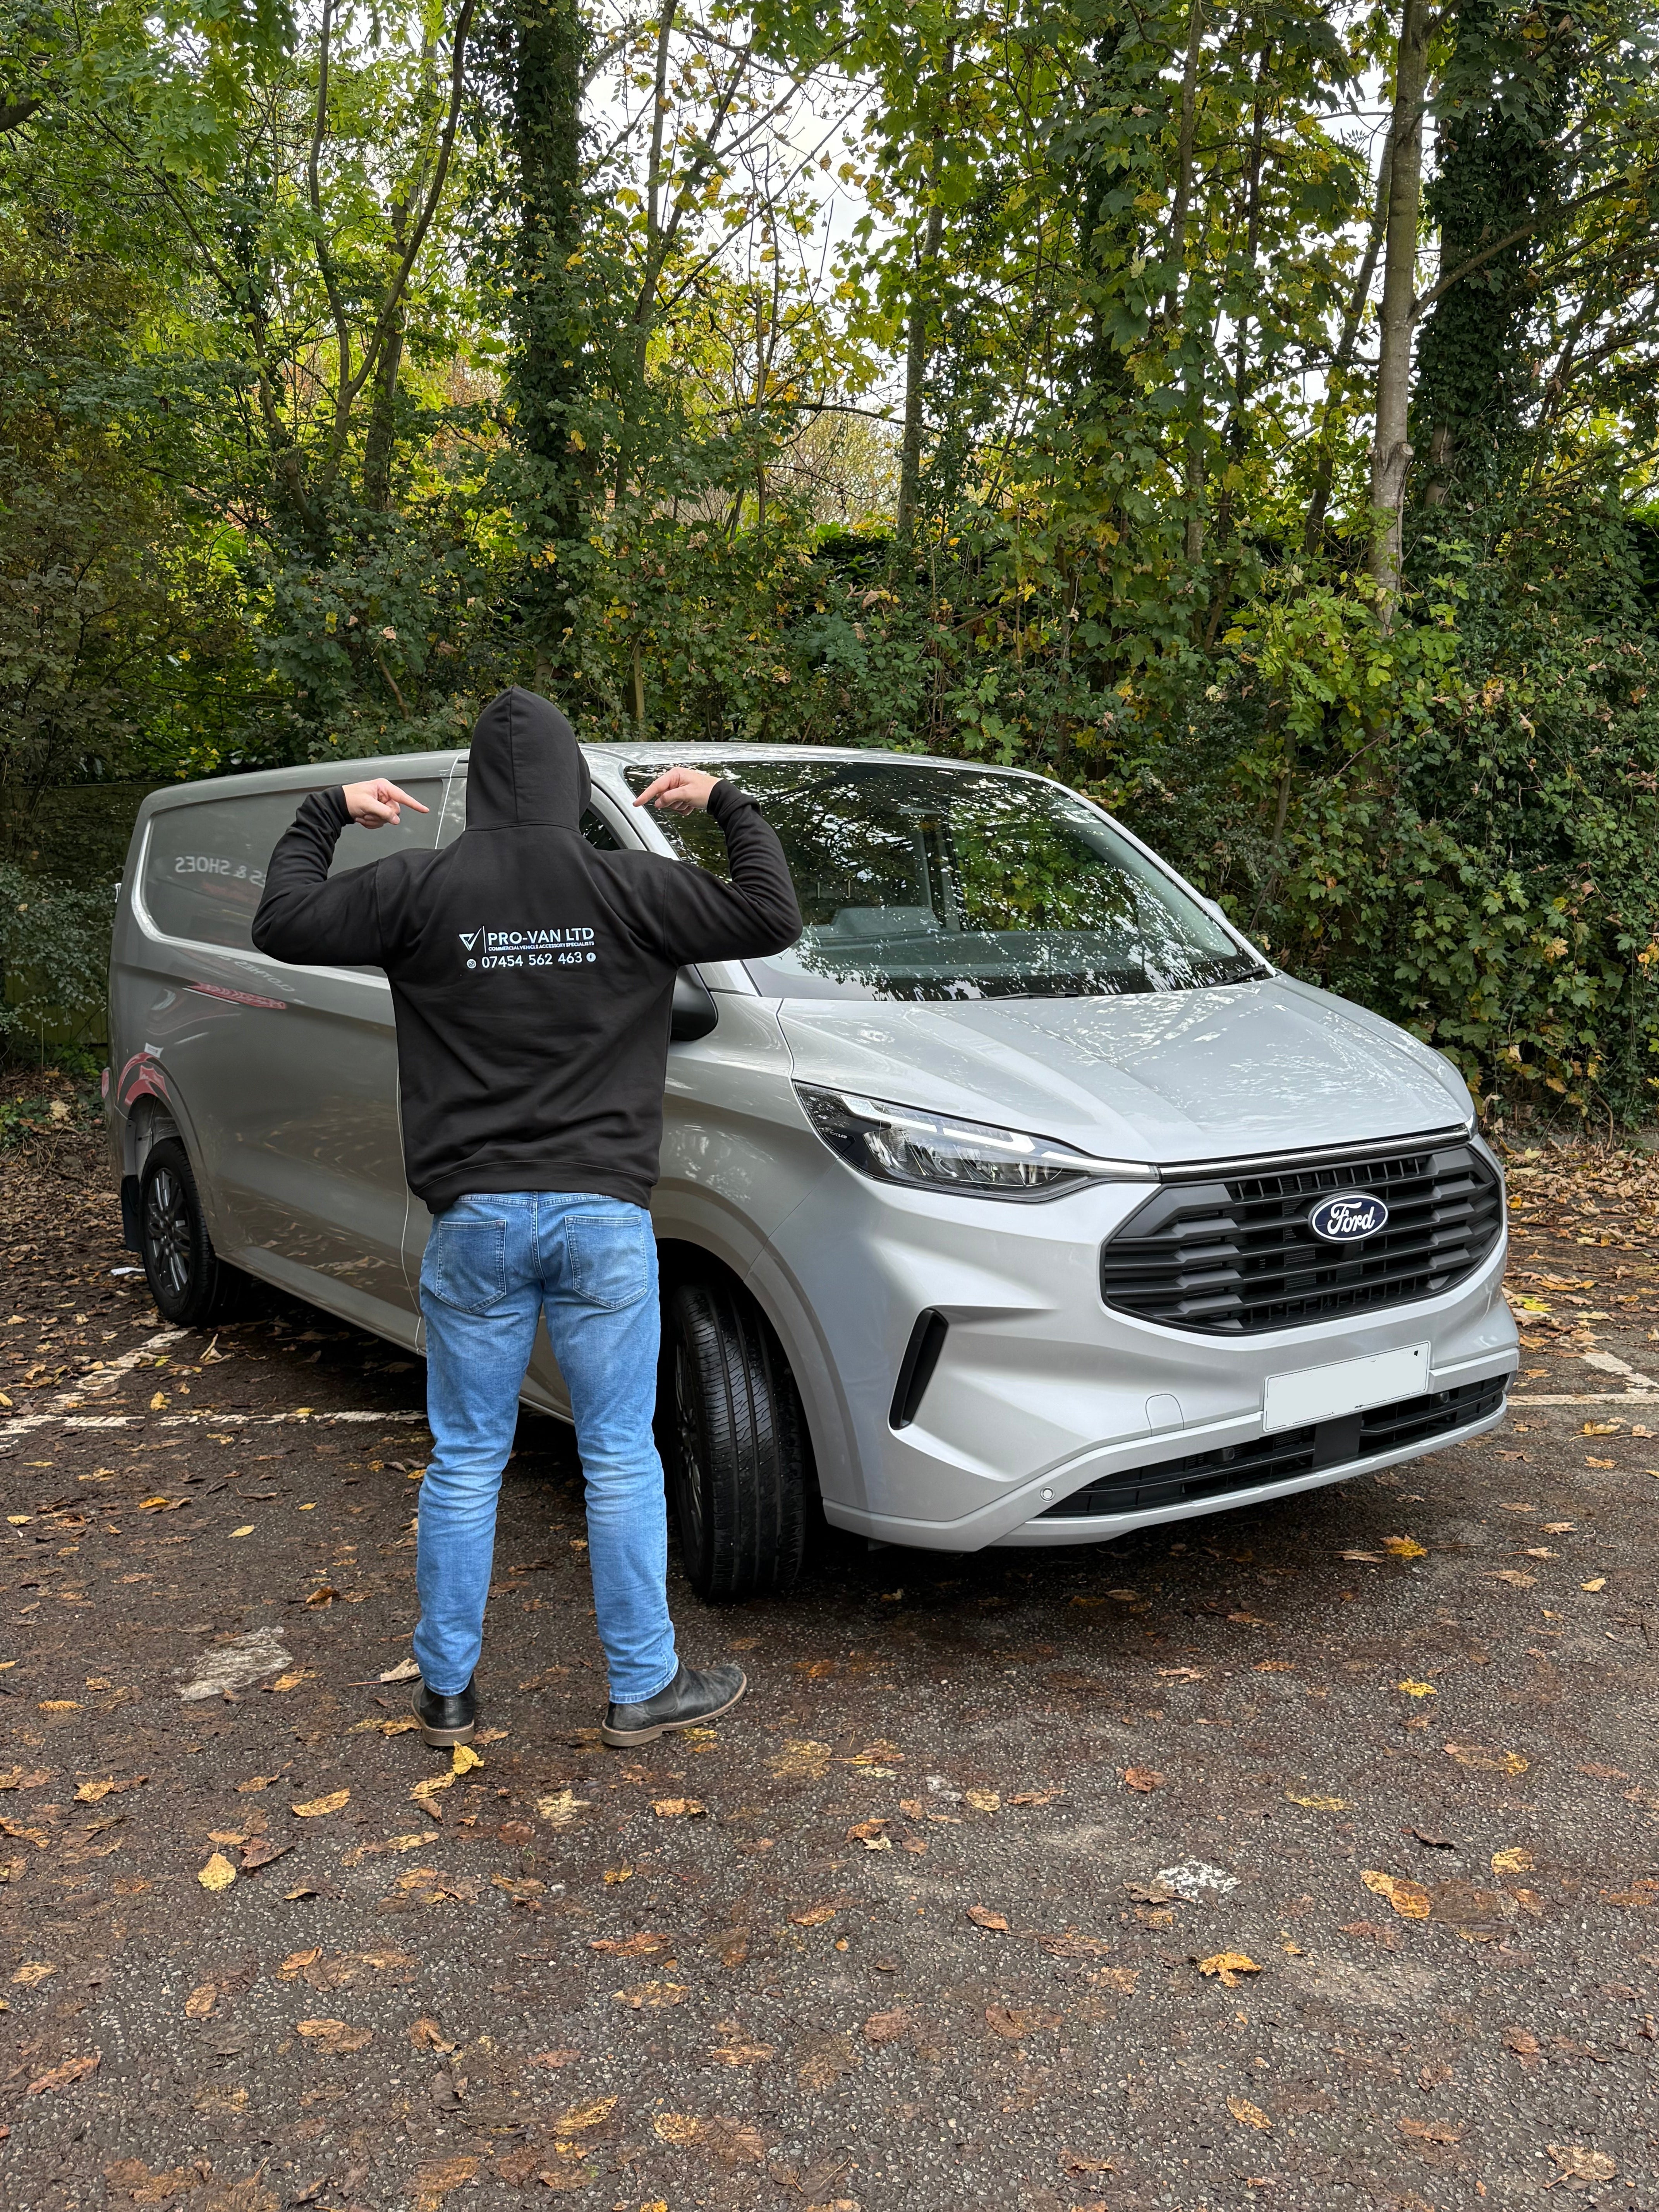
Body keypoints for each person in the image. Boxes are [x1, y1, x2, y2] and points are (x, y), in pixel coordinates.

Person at [252, 687, 801, 1750]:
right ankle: (642, 1685)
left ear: (475, 786)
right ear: (568, 782)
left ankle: (449, 1692)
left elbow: (281, 921)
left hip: (476, 1226)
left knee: (465, 1459)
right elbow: (771, 916)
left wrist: (328, 810)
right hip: (602, 1220)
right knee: (619, 1458)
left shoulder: (419, 888)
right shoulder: (630, 885)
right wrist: (728, 802)